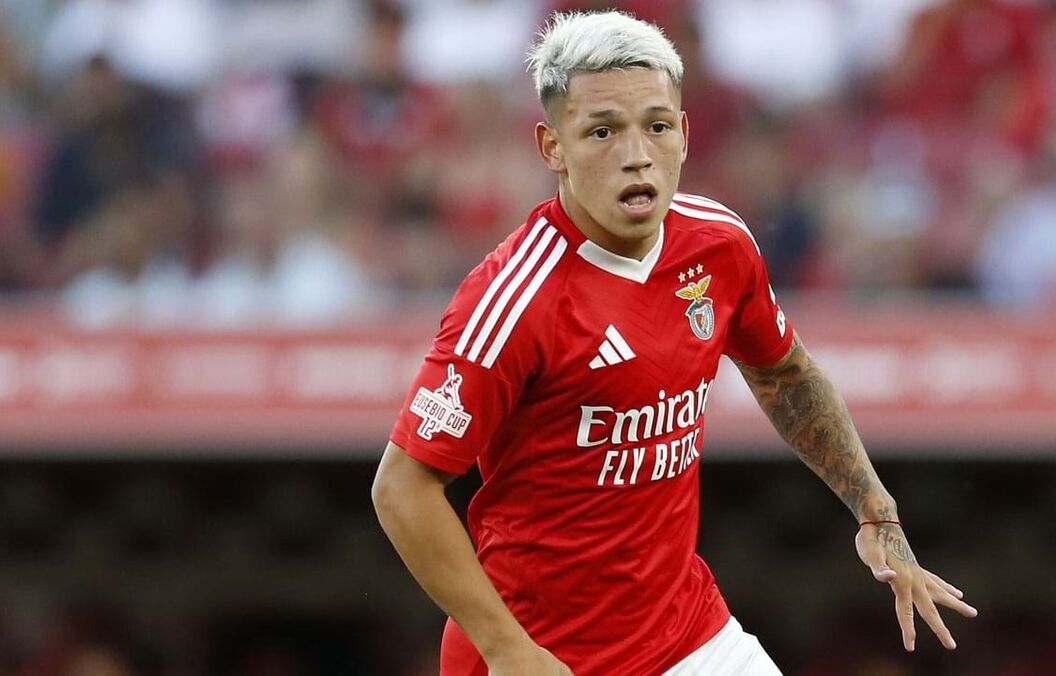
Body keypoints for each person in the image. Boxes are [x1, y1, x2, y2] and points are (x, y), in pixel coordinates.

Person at [372, 11, 977, 676]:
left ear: (685, 134)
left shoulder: (718, 244)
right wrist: (508, 649)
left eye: (656, 126)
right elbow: (402, 488)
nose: (636, 154)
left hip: (690, 638)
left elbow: (786, 374)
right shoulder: (514, 298)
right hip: (540, 655)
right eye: (602, 131)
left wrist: (875, 511)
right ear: (553, 147)